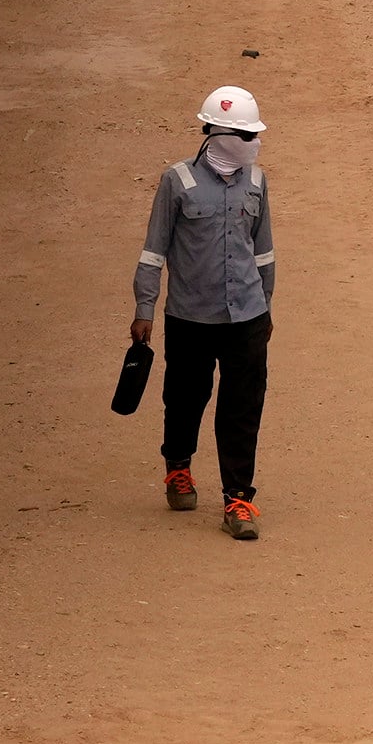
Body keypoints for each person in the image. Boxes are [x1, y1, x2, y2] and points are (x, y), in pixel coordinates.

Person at [133, 84, 275, 540]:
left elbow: (264, 252)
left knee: (242, 408)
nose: (252, 143)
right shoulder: (177, 181)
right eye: (244, 135)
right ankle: (178, 465)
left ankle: (238, 498)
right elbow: (154, 250)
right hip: (190, 317)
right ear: (215, 133)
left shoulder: (257, 181)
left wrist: (266, 309)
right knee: (185, 399)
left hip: (247, 318)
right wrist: (145, 308)